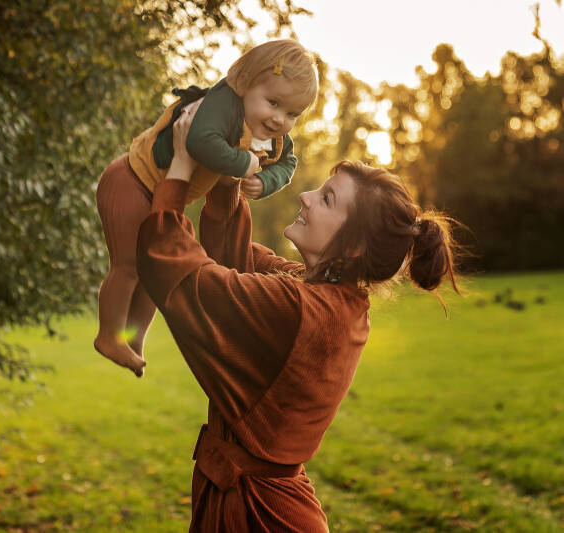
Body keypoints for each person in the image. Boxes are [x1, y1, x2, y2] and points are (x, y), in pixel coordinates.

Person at [135, 104, 461, 532]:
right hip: (254, 505)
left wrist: (179, 167)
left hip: (262, 517)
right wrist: (230, 167)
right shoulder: (329, 295)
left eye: (327, 198)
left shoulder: (303, 306)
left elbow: (184, 273)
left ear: (355, 247)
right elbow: (235, 262)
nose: (305, 196)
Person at [95, 40, 318, 376]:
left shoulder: (269, 132)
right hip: (132, 181)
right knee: (129, 265)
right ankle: (109, 335)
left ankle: (134, 338)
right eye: (273, 102)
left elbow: (288, 162)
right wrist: (244, 163)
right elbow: (199, 141)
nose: (279, 119)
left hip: (161, 196)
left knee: (154, 270)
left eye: (292, 114)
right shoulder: (223, 104)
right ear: (244, 83)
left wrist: (267, 180)